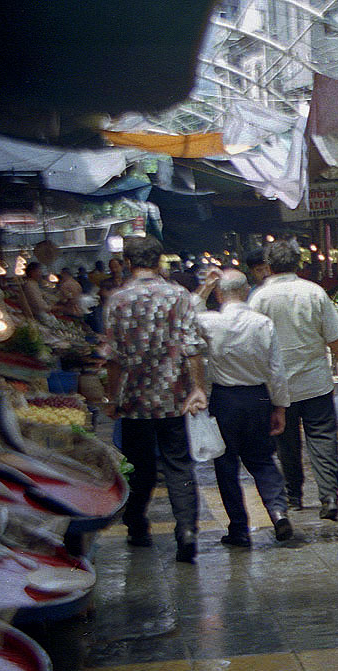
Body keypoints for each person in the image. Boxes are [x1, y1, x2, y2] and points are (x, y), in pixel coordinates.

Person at [101, 235, 208, 564]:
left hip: (134, 400)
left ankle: (136, 525)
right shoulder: (180, 296)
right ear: (160, 260)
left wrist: (112, 397)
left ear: (129, 263)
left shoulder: (118, 300)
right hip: (173, 397)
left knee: (139, 466)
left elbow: (115, 358)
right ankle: (187, 530)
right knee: (178, 464)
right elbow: (192, 348)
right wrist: (197, 388)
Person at [250, 239, 338, 520]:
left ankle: (294, 496)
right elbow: (335, 336)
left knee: (286, 441)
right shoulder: (314, 292)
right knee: (322, 438)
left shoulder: (260, 298)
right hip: (315, 381)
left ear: (270, 266)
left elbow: (254, 342)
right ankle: (329, 497)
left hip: (278, 386)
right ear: (297, 264)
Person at [195, 270, 293, 547]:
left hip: (225, 400)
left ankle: (238, 528)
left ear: (218, 293)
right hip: (258, 398)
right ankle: (278, 512)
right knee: (262, 459)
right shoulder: (262, 323)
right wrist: (280, 408)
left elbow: (186, 314)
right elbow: (277, 371)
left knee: (226, 465)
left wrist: (204, 288)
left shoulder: (210, 321)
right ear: (247, 290)